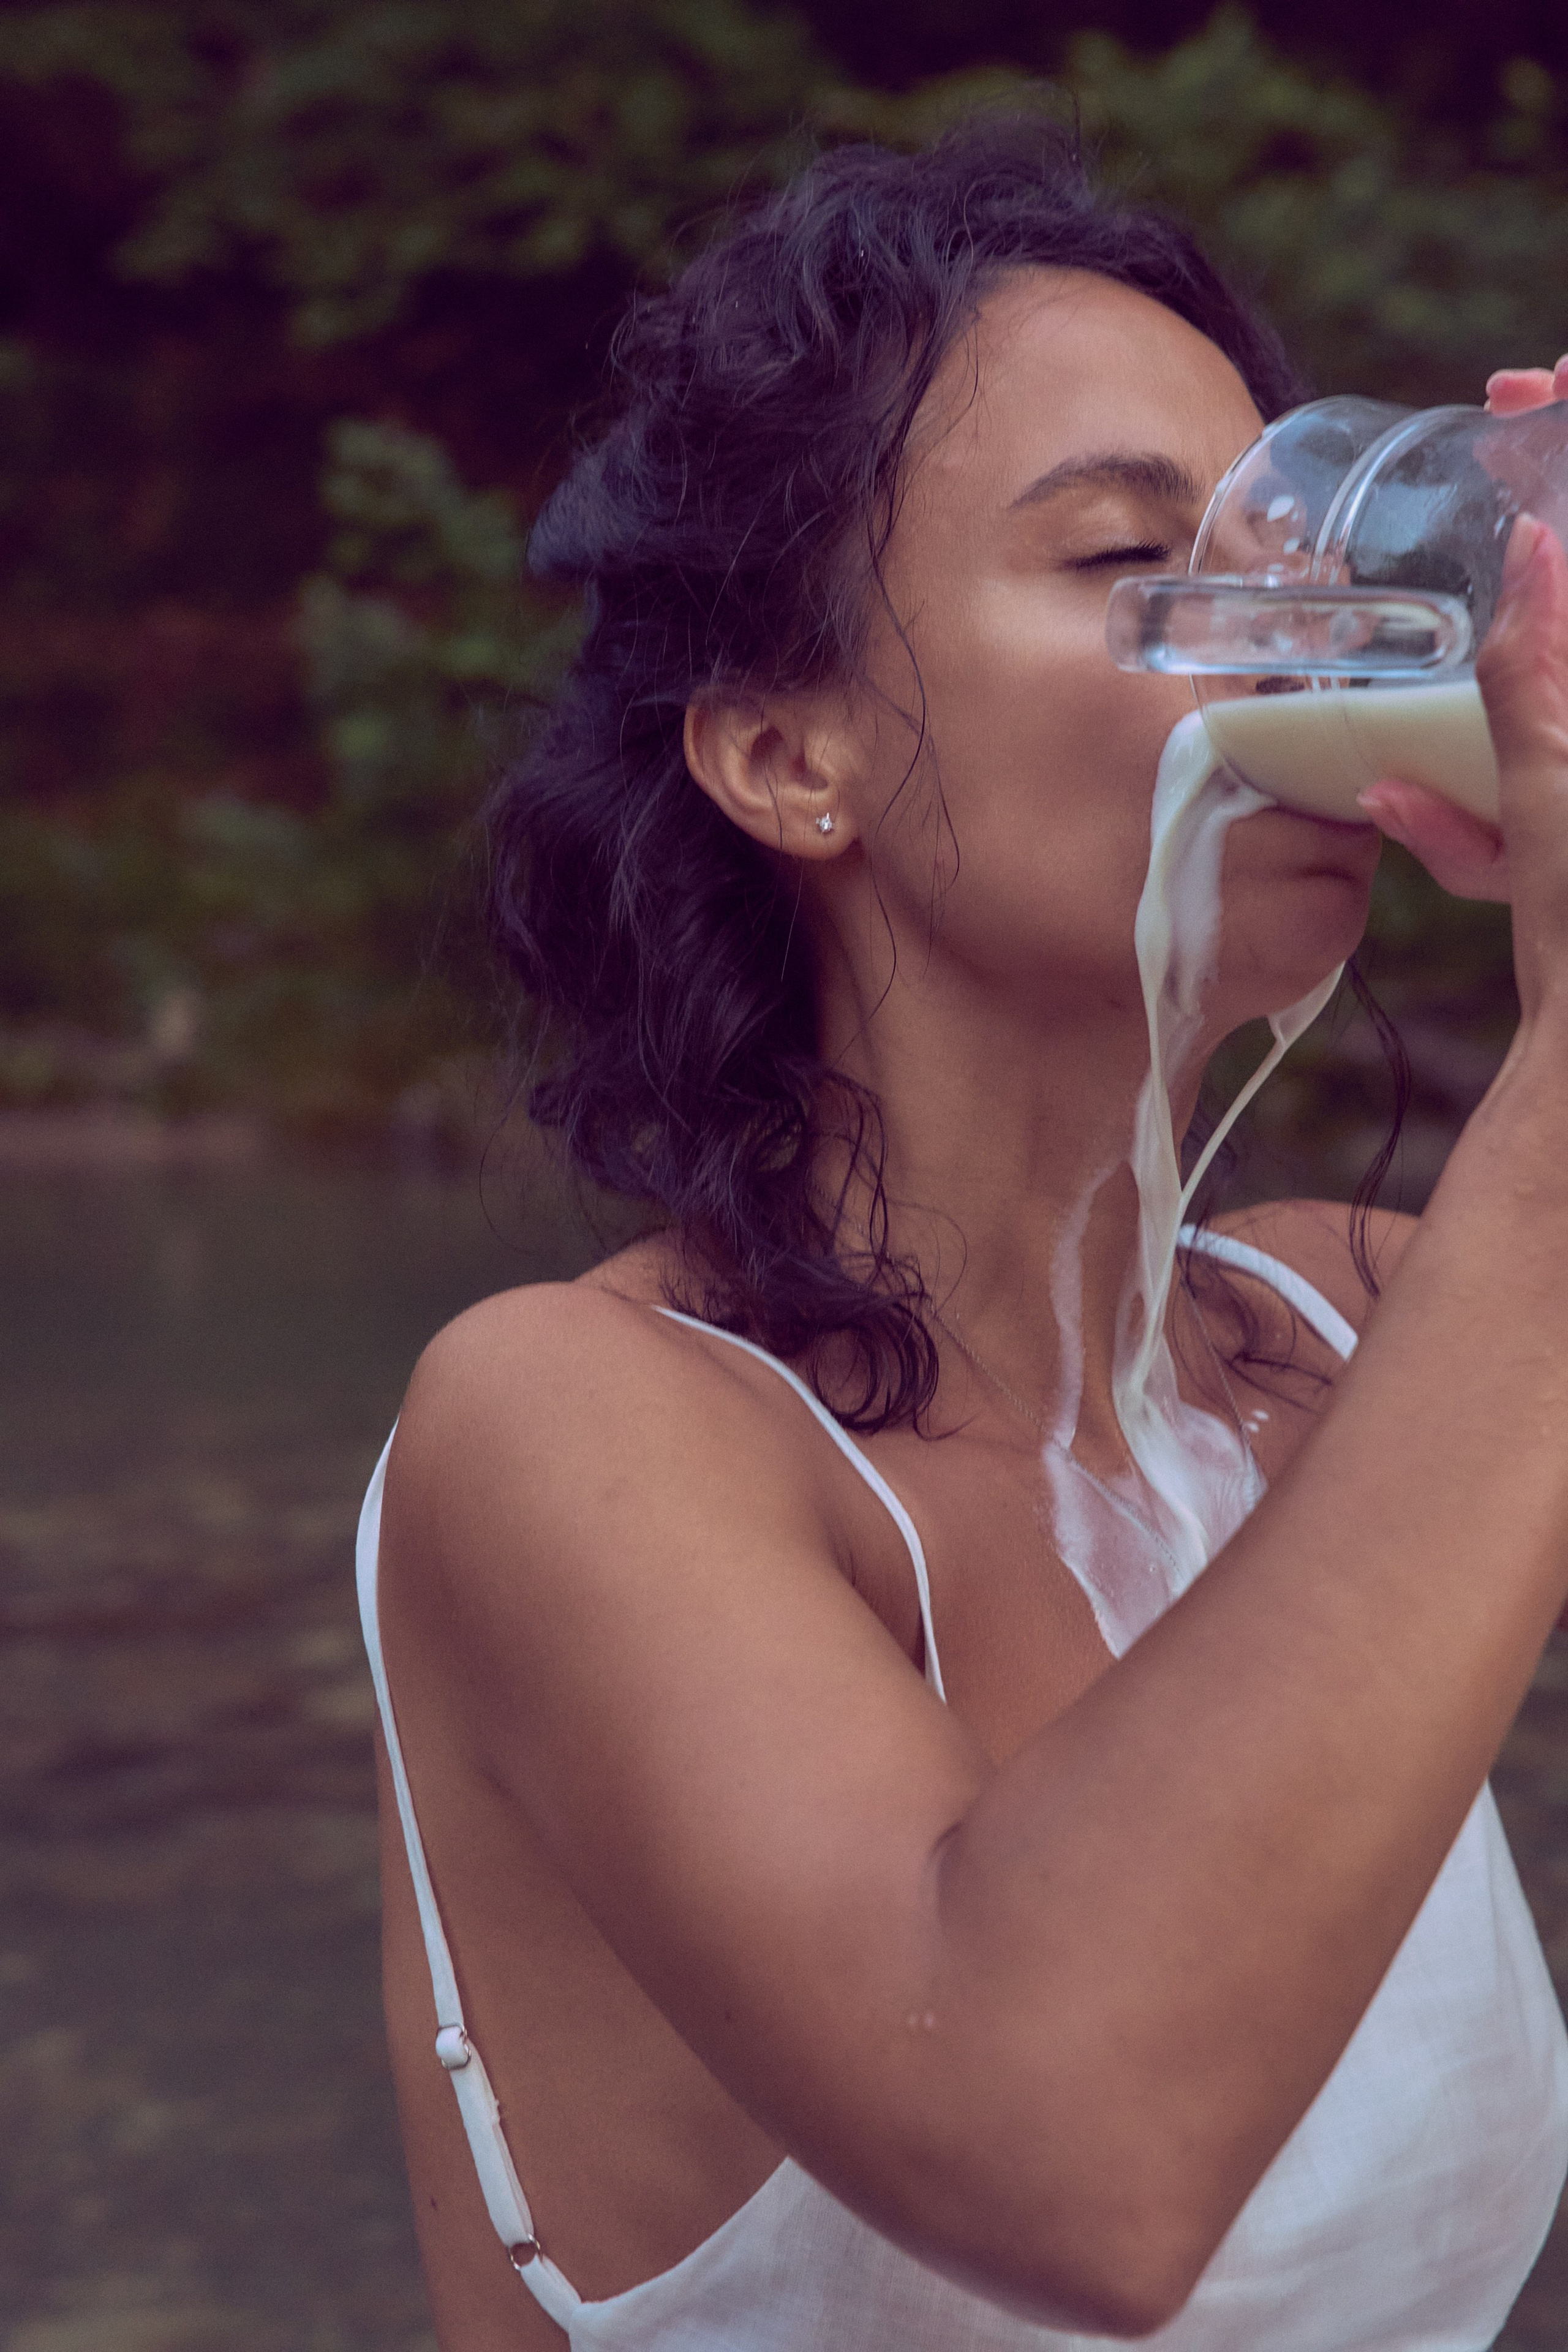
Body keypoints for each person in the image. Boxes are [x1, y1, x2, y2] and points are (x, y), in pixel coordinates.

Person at [357, 117, 1568, 2349]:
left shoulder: (1361, 1334)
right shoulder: (568, 1432)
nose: (1285, 638)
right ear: (784, 753)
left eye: (1289, 552)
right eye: (1134, 562)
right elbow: (1075, 2161)